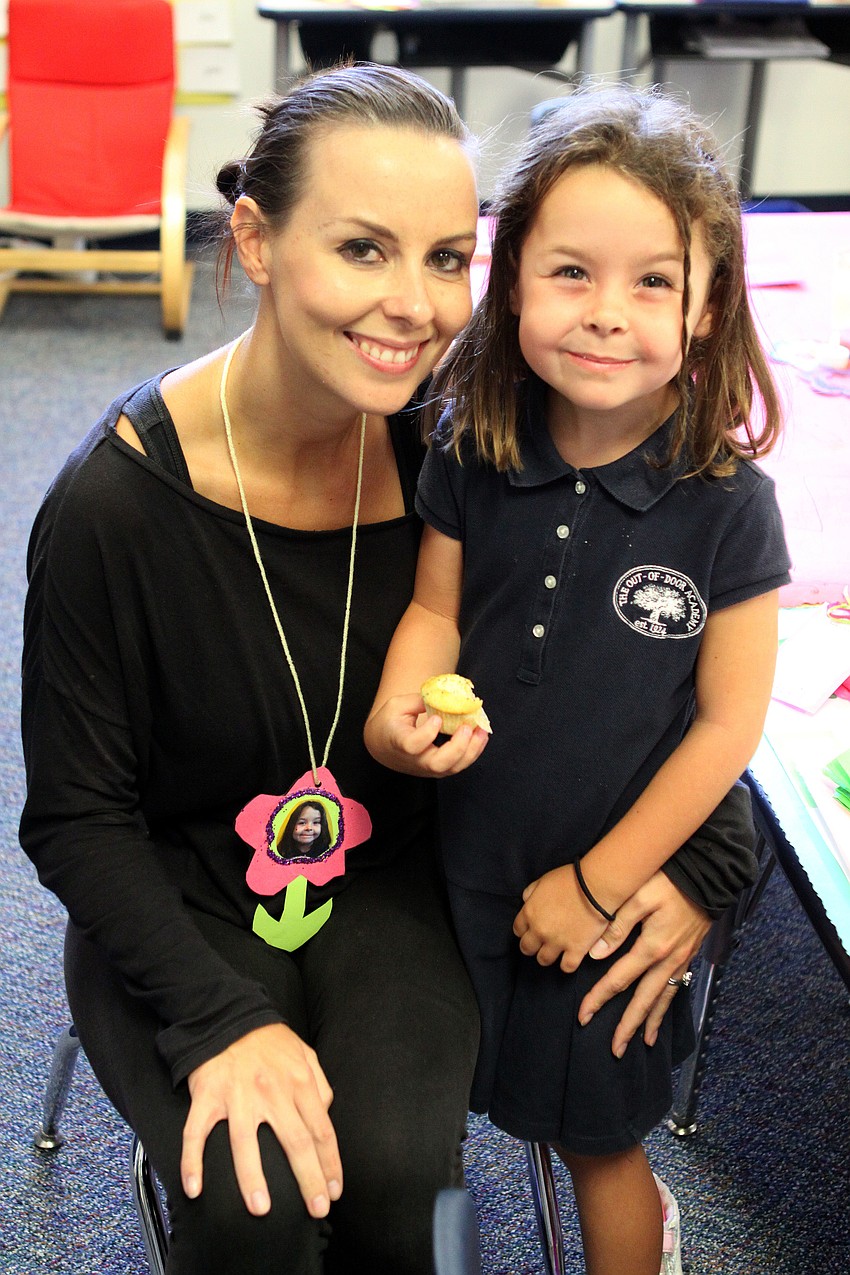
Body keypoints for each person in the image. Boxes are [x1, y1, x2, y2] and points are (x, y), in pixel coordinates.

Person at [20, 62, 757, 1275]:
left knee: (411, 1194)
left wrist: (701, 862)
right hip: (181, 892)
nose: (413, 308)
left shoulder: (467, 451)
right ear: (255, 241)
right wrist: (218, 1020)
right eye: (362, 249)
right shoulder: (114, 508)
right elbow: (75, 817)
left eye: (446, 258)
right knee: (248, 1215)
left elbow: (631, 670)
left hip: (399, 874)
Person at [365, 83, 790, 1275]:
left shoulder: (727, 508)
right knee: (421, 1130)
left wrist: (601, 887)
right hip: (454, 867)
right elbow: (434, 614)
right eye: (570, 273)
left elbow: (726, 728)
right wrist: (400, 712)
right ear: (512, 283)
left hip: (608, 903)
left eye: (652, 281)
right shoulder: (471, 441)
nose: (608, 315)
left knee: (601, 1149)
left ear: (706, 309)